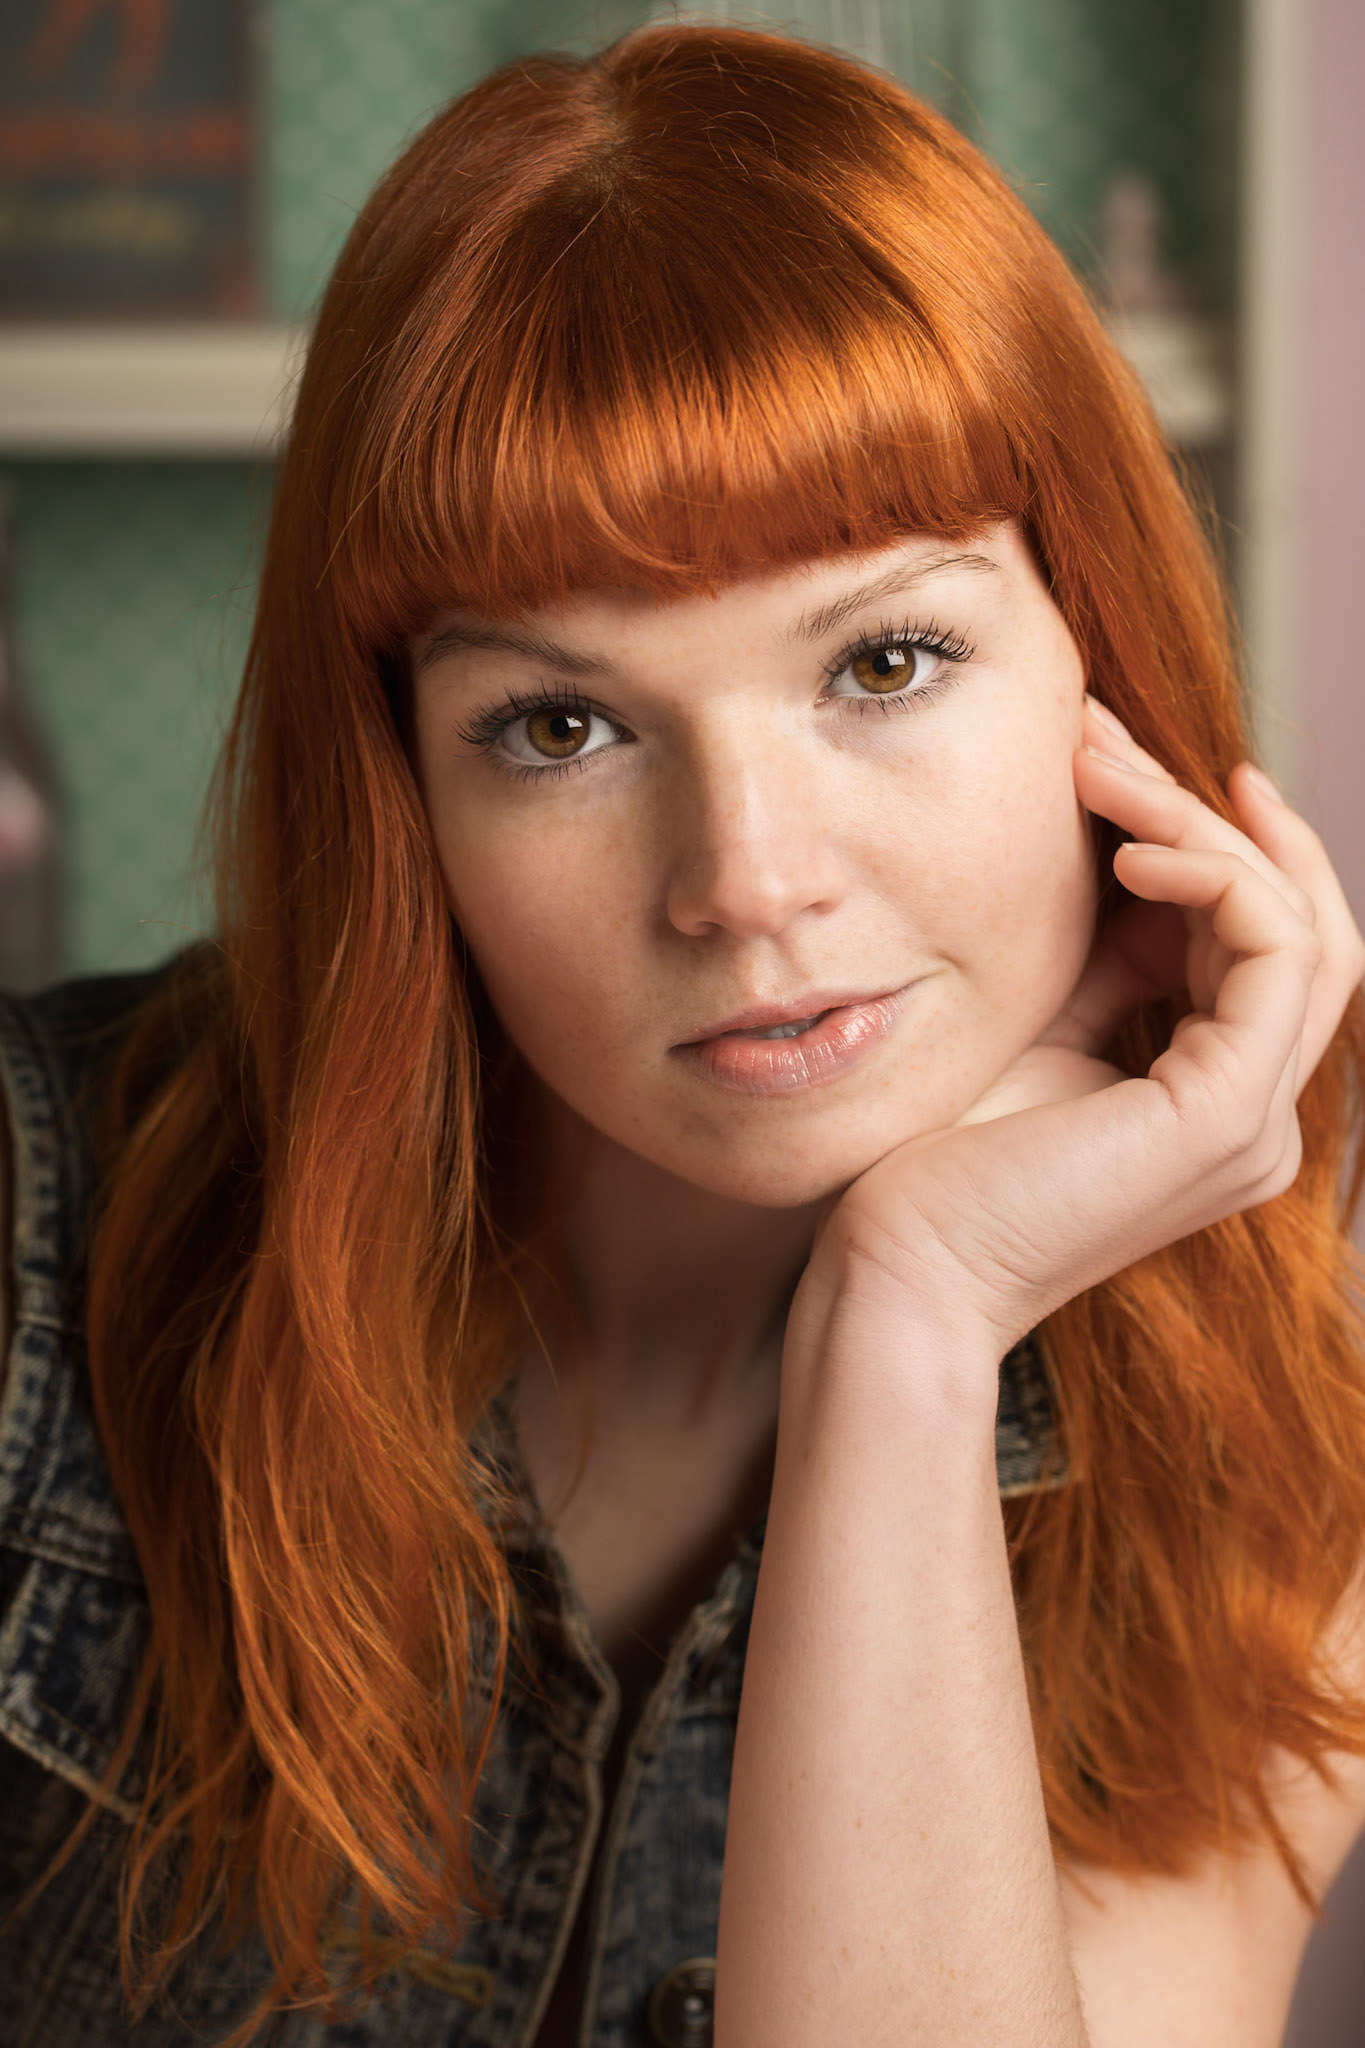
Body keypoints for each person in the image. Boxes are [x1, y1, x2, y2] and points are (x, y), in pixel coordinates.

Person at [3, 20, 1365, 2048]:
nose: (742, 878)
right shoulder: (38, 1228)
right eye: (560, 726)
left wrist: (910, 1326)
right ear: (406, 793)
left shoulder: (1278, 1390)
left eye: (884, 659)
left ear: (1102, 658)